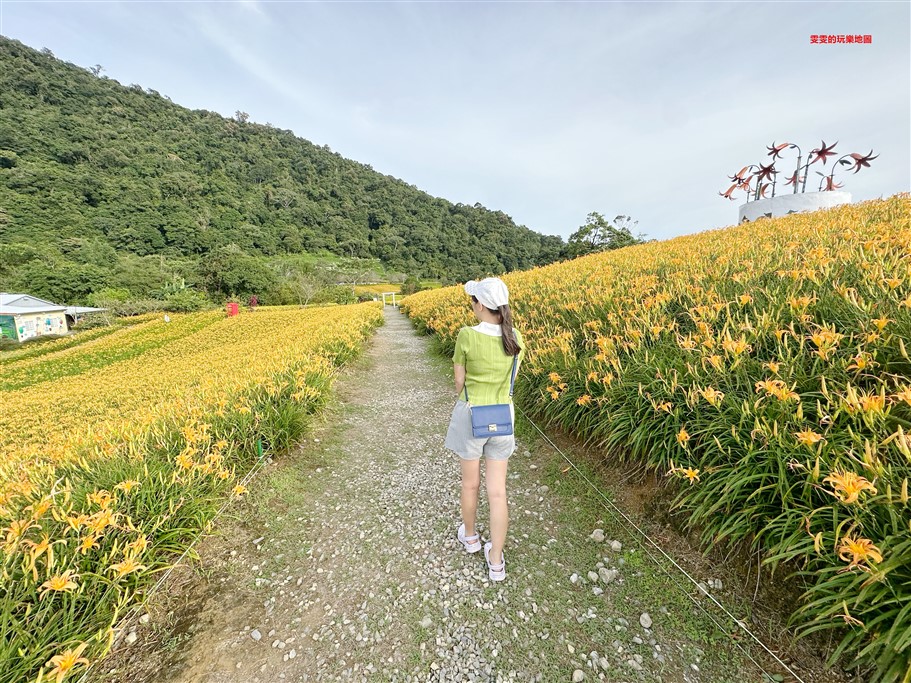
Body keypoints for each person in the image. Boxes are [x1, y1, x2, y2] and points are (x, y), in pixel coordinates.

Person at [444, 277, 525, 581]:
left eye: (473, 301)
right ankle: (496, 561)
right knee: (497, 491)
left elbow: (459, 383)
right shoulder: (515, 337)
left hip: (472, 415)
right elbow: (510, 381)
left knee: (470, 485)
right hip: (504, 418)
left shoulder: (467, 335)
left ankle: (470, 538)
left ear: (480, 305)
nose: (472, 306)